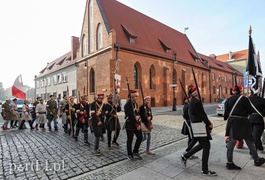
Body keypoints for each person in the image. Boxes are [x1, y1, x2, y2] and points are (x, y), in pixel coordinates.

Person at [224, 84, 265, 170]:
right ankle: (256, 160)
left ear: (233, 91)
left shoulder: (228, 100)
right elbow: (250, 111)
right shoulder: (244, 99)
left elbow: (226, 115)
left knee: (231, 142)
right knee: (250, 141)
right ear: (241, 90)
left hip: (232, 121)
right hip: (243, 121)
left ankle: (229, 162)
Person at [180, 86, 217, 176]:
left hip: (196, 126)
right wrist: (209, 123)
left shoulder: (192, 102)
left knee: (202, 145)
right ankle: (205, 170)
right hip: (200, 126)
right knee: (206, 146)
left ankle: (185, 156)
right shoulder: (196, 102)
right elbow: (203, 115)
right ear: (196, 93)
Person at [124, 89, 142, 160]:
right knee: (130, 139)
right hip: (130, 125)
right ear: (131, 97)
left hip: (136, 123)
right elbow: (130, 116)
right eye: (134, 97)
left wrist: (138, 116)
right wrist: (137, 124)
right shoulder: (127, 105)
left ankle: (135, 151)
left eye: (136, 97)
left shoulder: (135, 104)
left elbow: (138, 112)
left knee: (140, 137)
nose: (136, 98)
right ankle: (129, 154)